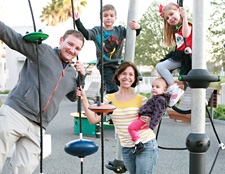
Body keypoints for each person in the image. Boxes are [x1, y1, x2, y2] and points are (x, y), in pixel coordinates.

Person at [0, 20, 86, 174]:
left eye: (77, 48)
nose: (72, 50)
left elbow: (74, 96)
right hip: (15, 113)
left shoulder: (73, 73)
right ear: (61, 41)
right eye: (70, 44)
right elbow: (13, 38)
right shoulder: (42, 51)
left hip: (38, 126)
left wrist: (82, 76)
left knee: (24, 169)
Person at [77, 61, 158, 174]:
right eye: (124, 73)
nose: (127, 77)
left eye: (131, 74)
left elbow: (154, 120)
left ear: (134, 79)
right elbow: (93, 119)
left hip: (145, 144)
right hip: (126, 147)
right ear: (118, 76)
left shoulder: (142, 100)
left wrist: (151, 120)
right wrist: (83, 98)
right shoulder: (109, 99)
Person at [74, 4, 141, 94]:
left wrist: (138, 27)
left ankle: (113, 99)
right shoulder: (97, 31)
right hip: (105, 65)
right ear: (101, 18)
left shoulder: (120, 30)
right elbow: (86, 34)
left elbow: (133, 34)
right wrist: (77, 21)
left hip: (118, 65)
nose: (108, 18)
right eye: (105, 16)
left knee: (125, 85)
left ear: (115, 18)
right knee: (112, 88)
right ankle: (112, 103)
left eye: (111, 15)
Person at [156, 3, 192, 107]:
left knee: (161, 66)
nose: (170, 19)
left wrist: (184, 17)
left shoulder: (187, 23)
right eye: (167, 18)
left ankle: (174, 88)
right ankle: (171, 89)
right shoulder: (178, 28)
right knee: (160, 68)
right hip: (181, 55)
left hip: (187, 56)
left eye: (172, 14)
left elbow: (186, 35)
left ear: (179, 12)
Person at [128, 77, 170, 155]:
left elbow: (158, 113)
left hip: (146, 120)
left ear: (164, 90)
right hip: (144, 118)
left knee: (131, 128)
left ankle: (138, 144)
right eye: (152, 86)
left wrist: (151, 125)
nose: (154, 88)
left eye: (157, 87)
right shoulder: (155, 98)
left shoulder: (160, 99)